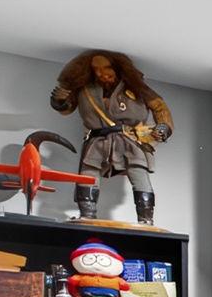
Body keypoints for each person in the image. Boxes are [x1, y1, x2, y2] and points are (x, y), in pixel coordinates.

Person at [50, 50, 174, 225]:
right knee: (88, 174)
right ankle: (87, 214)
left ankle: (146, 219)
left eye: (107, 68)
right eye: (96, 69)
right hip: (97, 140)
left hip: (129, 138)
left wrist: (163, 126)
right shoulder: (86, 90)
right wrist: (59, 99)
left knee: (138, 173)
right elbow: (66, 108)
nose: (102, 73)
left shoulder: (135, 86)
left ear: (118, 68)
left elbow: (160, 107)